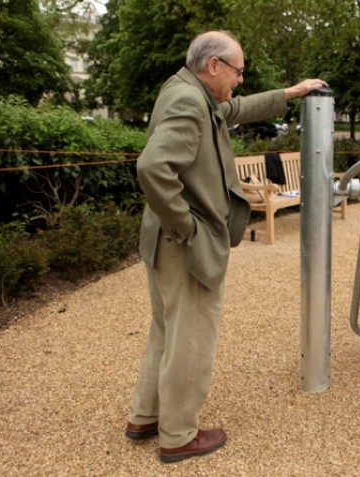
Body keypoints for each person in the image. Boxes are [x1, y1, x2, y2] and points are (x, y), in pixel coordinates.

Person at [124, 31, 328, 464]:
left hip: (159, 239)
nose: (240, 79)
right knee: (192, 338)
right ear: (214, 65)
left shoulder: (185, 88)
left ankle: (146, 415)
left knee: (167, 329)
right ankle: (178, 434)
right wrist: (188, 230)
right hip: (183, 244)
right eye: (238, 70)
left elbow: (231, 110)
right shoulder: (189, 101)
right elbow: (153, 168)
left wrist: (289, 93)